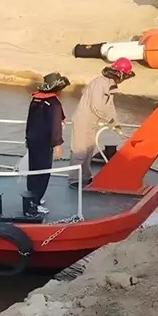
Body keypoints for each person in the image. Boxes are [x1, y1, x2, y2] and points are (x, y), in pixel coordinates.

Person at [68, 57, 135, 187]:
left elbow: (109, 106)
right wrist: (109, 120)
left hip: (93, 121)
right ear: (120, 73)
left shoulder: (110, 84)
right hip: (83, 120)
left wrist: (115, 123)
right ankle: (74, 180)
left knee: (89, 151)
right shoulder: (100, 83)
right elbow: (96, 106)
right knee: (79, 151)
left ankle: (85, 177)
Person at [24, 72, 70, 214]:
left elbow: (30, 120)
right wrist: (58, 145)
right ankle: (36, 202)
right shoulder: (54, 103)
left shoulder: (36, 99)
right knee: (43, 172)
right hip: (44, 142)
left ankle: (31, 198)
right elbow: (55, 126)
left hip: (32, 139)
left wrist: (27, 138)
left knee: (33, 170)